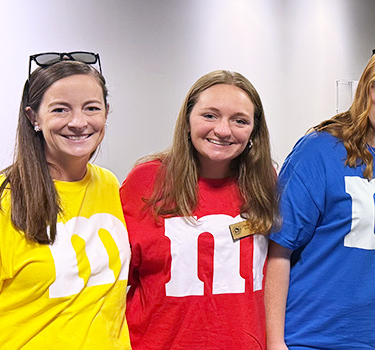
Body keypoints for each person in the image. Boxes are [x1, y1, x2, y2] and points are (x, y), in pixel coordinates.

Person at [265, 43, 375, 349]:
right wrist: (275, 343)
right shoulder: (319, 151)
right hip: (318, 338)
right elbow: (278, 252)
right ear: (366, 89)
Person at [0, 55, 131, 348]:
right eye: (60, 109)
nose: (78, 122)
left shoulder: (109, 185)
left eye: (91, 108)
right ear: (34, 117)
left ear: (106, 113)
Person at [119, 70, 278, 349]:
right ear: (188, 120)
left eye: (239, 120)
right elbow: (116, 281)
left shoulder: (265, 184)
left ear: (254, 130)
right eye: (210, 115)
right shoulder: (145, 182)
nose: (223, 130)